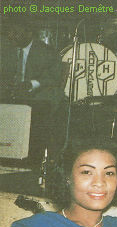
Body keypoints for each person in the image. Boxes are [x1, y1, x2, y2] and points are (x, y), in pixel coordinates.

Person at [0, 16, 64, 166]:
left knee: (39, 110)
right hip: (12, 95)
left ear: (29, 33)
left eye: (16, 32)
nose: (11, 36)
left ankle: (32, 158)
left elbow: (53, 78)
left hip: (39, 95)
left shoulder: (47, 52)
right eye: (9, 32)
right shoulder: (6, 50)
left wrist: (30, 84)